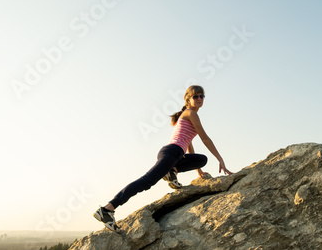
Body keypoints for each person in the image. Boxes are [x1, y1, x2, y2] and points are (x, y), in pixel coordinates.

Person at [93, 85, 232, 231]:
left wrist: (199, 171)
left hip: (174, 154)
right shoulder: (191, 113)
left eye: (201, 96)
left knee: (201, 159)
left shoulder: (187, 115)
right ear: (188, 99)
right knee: (146, 182)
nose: (199, 99)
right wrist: (220, 159)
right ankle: (107, 209)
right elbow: (205, 138)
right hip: (172, 153)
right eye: (195, 96)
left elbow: (189, 144)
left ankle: (172, 171)